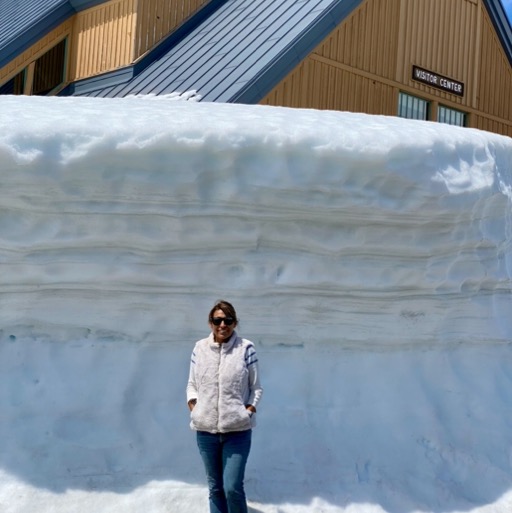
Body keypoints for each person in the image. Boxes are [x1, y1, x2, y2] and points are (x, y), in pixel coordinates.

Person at [186, 300, 263, 513]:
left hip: (237, 431)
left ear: (235, 323)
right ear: (210, 323)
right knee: (216, 489)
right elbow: (192, 384)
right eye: (217, 320)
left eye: (228, 320)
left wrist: (248, 411)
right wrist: (194, 406)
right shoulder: (199, 348)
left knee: (232, 487)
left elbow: (256, 387)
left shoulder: (246, 349)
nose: (223, 325)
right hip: (205, 431)